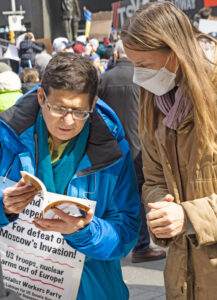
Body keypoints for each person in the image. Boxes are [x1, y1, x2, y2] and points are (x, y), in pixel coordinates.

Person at [0, 52, 140, 300]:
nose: (68, 121)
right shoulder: (7, 138)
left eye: (79, 112)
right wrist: (4, 207)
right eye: (59, 108)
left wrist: (85, 230)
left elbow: (126, 232)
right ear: (42, 97)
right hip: (19, 286)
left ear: (93, 105)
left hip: (91, 288)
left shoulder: (114, 152)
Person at [121, 2, 217, 299]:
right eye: (132, 63)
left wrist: (188, 215)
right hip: (182, 273)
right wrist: (160, 208)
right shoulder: (155, 101)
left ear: (175, 54)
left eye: (145, 65)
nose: (137, 75)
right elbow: (153, 177)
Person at [99, 39, 166, 263]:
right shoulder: (144, 78)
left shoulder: (103, 79)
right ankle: (140, 246)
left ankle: (121, 240)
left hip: (111, 149)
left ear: (116, 56)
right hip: (140, 147)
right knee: (139, 196)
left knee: (115, 195)